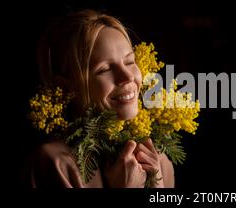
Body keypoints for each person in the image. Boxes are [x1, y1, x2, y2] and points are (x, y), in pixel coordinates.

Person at [29, 9, 174, 188]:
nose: (127, 76)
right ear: (66, 88)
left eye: (130, 62)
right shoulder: (55, 163)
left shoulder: (157, 158)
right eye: (104, 69)